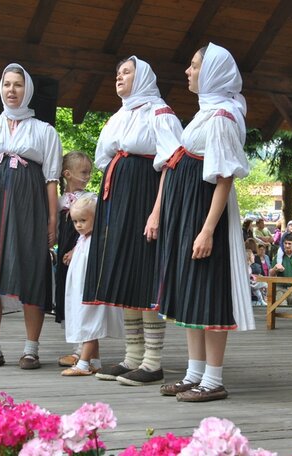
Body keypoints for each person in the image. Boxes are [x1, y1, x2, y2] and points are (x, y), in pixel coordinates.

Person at [156, 43, 254, 402]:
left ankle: (213, 379)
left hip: (204, 214)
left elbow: (224, 177)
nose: (188, 72)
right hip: (189, 213)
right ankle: (194, 373)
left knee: (209, 292)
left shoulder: (222, 117)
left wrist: (207, 229)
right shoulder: (206, 113)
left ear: (212, 72)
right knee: (191, 292)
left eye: (194, 66)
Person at [83, 56, 183, 387]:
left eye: (127, 72)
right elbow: (103, 159)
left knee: (144, 275)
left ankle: (153, 362)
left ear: (142, 78)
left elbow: (171, 164)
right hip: (119, 199)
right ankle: (132, 357)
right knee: (125, 274)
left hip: (144, 196)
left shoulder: (160, 113)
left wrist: (157, 211)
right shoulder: (119, 116)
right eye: (117, 73)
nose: (119, 77)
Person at [0, 63, 63, 370]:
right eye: (7, 84)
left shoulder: (44, 131)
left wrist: (52, 219)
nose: (11, 90)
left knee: (32, 268)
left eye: (18, 84)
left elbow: (51, 180)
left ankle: (31, 349)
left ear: (27, 89)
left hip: (29, 206)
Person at [62, 194, 124, 376]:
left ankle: (82, 363)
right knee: (85, 320)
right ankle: (95, 361)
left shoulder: (99, 239)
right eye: (75, 221)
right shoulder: (84, 239)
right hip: (79, 288)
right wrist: (73, 251)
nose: (78, 225)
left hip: (89, 288)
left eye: (83, 220)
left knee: (88, 322)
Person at [54, 151, 94, 368]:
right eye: (84, 173)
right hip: (64, 256)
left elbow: (90, 231)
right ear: (68, 174)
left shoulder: (89, 201)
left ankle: (81, 350)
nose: (88, 177)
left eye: (89, 172)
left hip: (80, 255)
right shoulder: (60, 202)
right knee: (67, 297)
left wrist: (76, 250)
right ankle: (78, 348)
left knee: (80, 297)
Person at [269, 233, 292, 307]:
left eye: (289, 243)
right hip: (280, 287)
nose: (287, 245)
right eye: (285, 243)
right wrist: (275, 268)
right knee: (281, 309)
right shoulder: (279, 256)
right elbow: (271, 274)